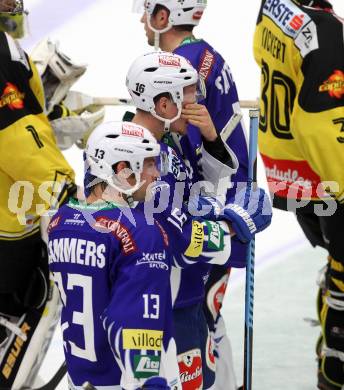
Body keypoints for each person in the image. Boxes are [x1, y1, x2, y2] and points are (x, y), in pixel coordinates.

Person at [124, 51, 272, 389]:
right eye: (187, 92)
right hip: (161, 311)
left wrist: (211, 139)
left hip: (182, 299)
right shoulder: (140, 161)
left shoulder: (168, 141)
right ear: (162, 103)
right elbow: (176, 243)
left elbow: (205, 190)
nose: (197, 100)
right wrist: (234, 223)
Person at [136, 2, 250, 388]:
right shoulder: (206, 54)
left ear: (163, 16)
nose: (141, 19)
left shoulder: (179, 65)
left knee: (198, 324)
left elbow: (189, 164)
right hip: (223, 204)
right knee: (206, 322)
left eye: (146, 10)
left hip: (212, 211)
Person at [48, 121, 184, 389]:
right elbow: (133, 320)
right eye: (147, 164)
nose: (156, 173)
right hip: (125, 381)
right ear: (122, 170)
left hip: (79, 379)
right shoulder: (140, 231)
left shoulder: (61, 220)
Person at [253, 1, 344, 389]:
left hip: (288, 171)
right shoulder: (323, 31)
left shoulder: (273, 6)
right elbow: (322, 126)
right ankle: (335, 373)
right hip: (327, 177)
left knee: (336, 269)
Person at [0, 1, 77, 388]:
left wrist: (52, 121)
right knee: (24, 297)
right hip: (9, 229)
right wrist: (62, 186)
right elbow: (13, 134)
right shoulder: (4, 56)